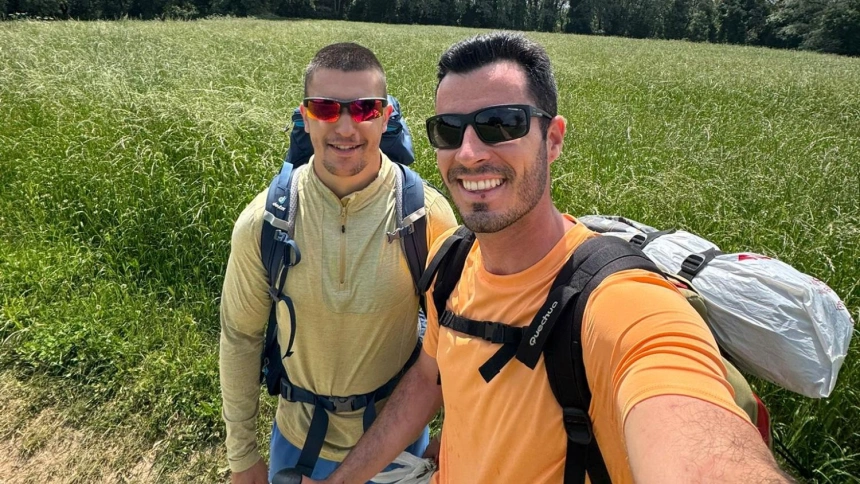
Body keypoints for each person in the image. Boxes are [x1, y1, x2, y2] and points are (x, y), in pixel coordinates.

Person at [305, 32, 793, 483]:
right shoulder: (452, 264)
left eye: (501, 124)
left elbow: (687, 427)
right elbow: (428, 379)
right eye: (449, 130)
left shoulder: (618, 306)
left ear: (553, 138)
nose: (470, 151)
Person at [219, 42, 457, 484]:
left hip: (399, 443)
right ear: (305, 116)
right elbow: (240, 338)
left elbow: (457, 342)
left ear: (386, 117)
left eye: (365, 108)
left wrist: (457, 434)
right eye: (327, 108)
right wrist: (242, 457)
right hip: (297, 443)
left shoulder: (426, 216)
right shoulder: (266, 222)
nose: (346, 127)